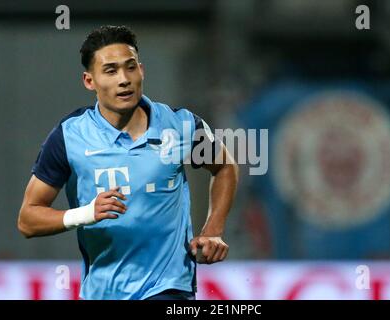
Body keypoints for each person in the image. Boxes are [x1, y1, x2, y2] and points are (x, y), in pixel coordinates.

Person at [17, 25, 239, 300]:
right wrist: (86, 213)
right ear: (89, 81)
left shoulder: (179, 126)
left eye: (130, 67)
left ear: (141, 70)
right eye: (110, 70)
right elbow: (28, 219)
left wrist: (213, 230)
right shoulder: (70, 136)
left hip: (168, 288)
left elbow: (225, 167)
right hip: (103, 291)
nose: (124, 79)